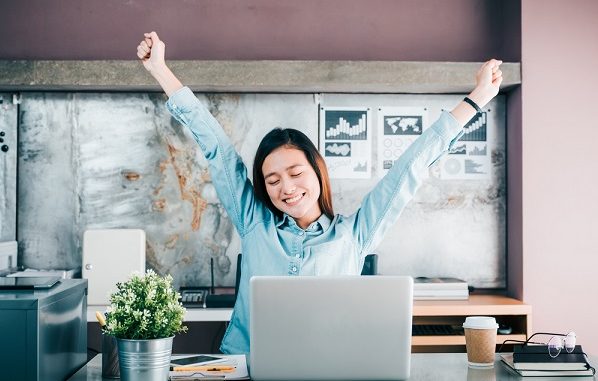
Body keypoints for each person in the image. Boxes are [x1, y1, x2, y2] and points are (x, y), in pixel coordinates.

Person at [136, 31, 503, 354]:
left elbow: (411, 168)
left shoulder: (354, 234)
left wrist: (476, 99)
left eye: (296, 173)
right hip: (247, 364)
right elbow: (216, 146)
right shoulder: (253, 223)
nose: (287, 187)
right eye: (273, 179)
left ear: (318, 172)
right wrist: (160, 70)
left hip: (329, 365)